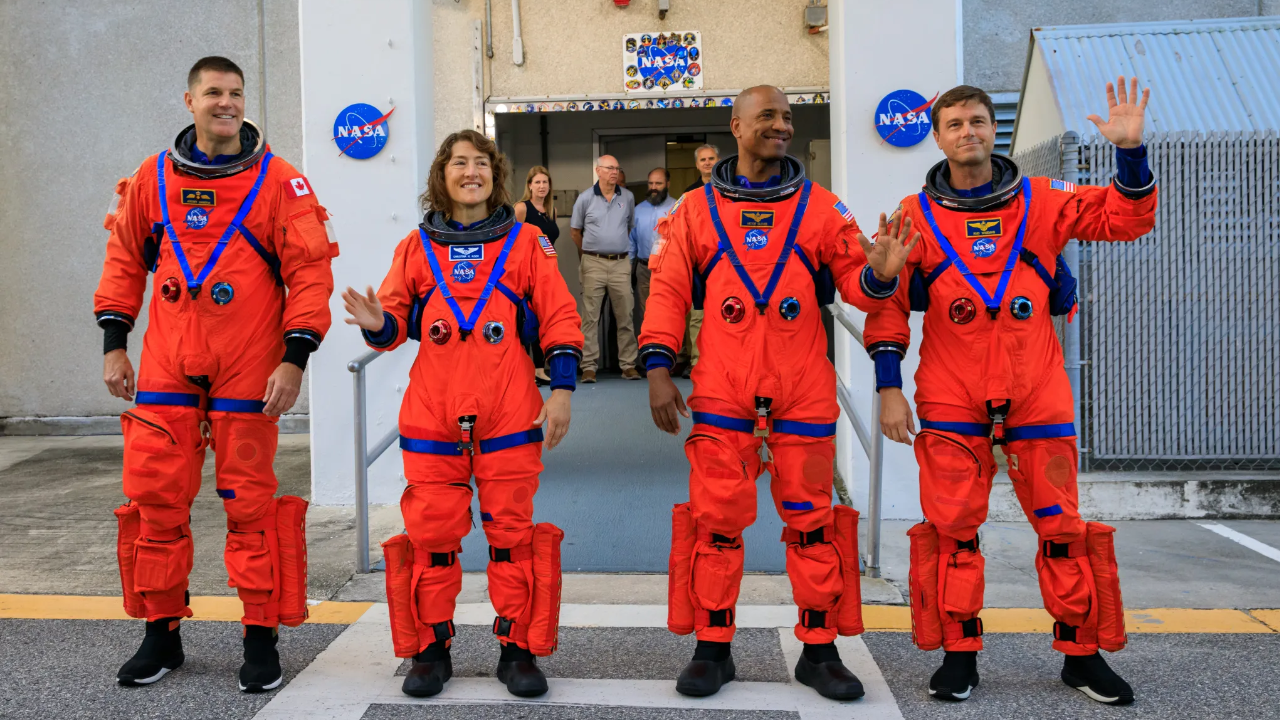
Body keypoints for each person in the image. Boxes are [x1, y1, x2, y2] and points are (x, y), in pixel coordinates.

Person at [865, 80, 1156, 705]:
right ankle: (960, 655)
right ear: (937, 137)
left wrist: (1131, 154)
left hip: (1037, 391)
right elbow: (885, 305)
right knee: (954, 530)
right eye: (954, 124)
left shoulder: (1045, 200)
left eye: (977, 120)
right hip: (950, 393)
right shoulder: (911, 217)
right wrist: (889, 387)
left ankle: (1082, 656)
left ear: (990, 129)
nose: (968, 131)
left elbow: (1126, 218)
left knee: (1061, 528)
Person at [640, 86, 917, 700]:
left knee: (814, 523)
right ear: (735, 127)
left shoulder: (822, 208)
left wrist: (881, 273)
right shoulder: (691, 210)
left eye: (788, 118)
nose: (782, 126)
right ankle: (713, 649)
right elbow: (666, 293)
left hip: (802, 393)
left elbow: (858, 289)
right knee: (716, 524)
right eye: (768, 116)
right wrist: (658, 368)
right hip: (723, 390)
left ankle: (819, 651)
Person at [95, 56, 337, 692]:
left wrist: (295, 358)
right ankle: (160, 636)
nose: (224, 103)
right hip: (169, 363)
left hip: (249, 368)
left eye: (234, 93)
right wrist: (115, 344)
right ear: (190, 100)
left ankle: (260, 638)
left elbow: (310, 276)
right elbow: (125, 259)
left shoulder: (282, 182)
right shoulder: (152, 178)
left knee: (251, 504)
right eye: (212, 93)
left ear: (243, 101)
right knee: (154, 500)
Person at [343, 129, 582, 700]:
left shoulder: (527, 243)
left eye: (480, 162)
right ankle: (431, 650)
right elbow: (394, 326)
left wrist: (563, 390)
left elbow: (559, 317)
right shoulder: (415, 248)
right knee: (432, 539)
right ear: (441, 176)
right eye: (458, 163)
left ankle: (516, 649)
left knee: (511, 538)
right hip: (433, 414)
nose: (469, 171)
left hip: (508, 411)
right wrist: (378, 321)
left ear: (495, 174)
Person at [571, 155, 640, 382]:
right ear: (598, 171)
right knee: (590, 317)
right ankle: (589, 366)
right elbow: (575, 232)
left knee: (625, 316)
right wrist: (589, 256)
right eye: (609, 168)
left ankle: (628, 365)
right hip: (593, 263)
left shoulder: (628, 197)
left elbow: (629, 227)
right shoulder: (585, 199)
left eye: (617, 168)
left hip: (621, 263)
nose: (614, 172)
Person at [674, 144, 719, 375]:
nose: (708, 163)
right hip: (699, 264)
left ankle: (722, 362)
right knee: (697, 315)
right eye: (703, 159)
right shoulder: (689, 194)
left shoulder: (731, 189)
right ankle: (697, 362)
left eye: (711, 158)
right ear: (697, 164)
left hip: (727, 262)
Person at [514, 166, 559, 384]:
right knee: (525, 320)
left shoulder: (551, 210)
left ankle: (540, 368)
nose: (542, 186)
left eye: (545, 182)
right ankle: (522, 368)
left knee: (543, 320)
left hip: (547, 272)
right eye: (538, 182)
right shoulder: (522, 208)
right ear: (530, 185)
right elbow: (510, 243)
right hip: (525, 273)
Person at [630, 167, 676, 323]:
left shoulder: (677, 208)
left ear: (668, 184)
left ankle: (671, 347)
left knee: (669, 310)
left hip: (669, 269)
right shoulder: (638, 210)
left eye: (658, 183)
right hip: (644, 269)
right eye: (650, 183)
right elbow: (632, 242)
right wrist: (629, 269)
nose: (654, 188)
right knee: (646, 313)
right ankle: (649, 346)